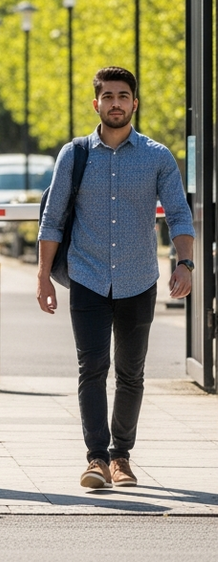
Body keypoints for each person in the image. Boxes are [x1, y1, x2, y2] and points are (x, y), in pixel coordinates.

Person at [37, 66, 194, 489]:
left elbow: (179, 215)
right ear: (96, 104)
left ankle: (121, 456)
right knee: (91, 368)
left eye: (123, 96)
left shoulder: (157, 157)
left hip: (137, 278)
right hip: (87, 276)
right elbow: (52, 220)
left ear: (134, 103)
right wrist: (43, 277)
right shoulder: (74, 154)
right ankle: (96, 459)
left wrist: (185, 263)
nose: (116, 103)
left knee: (130, 372)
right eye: (107, 96)